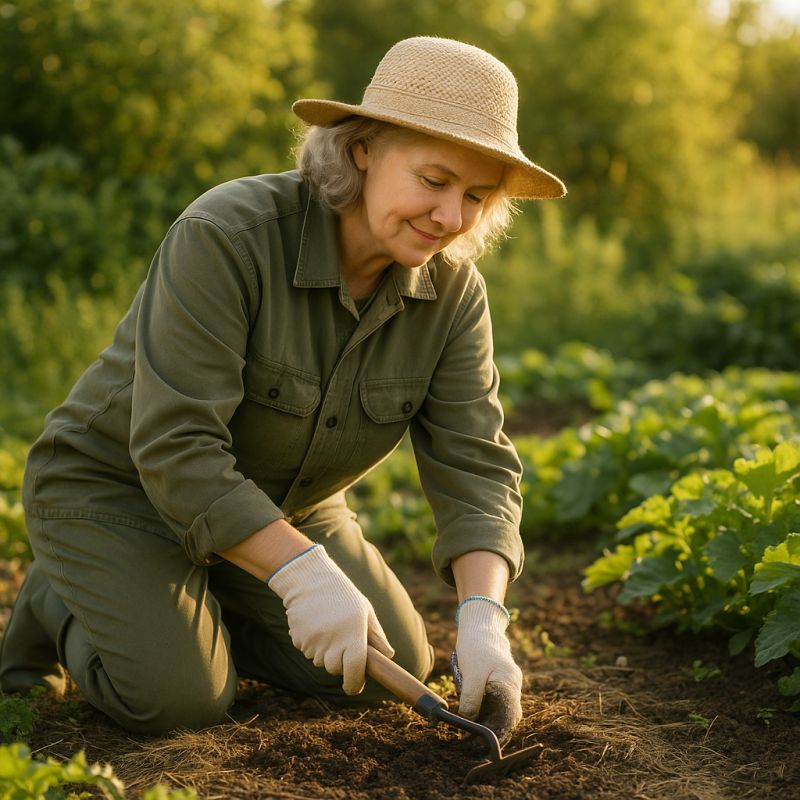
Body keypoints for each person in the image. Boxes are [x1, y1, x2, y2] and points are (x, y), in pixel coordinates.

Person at [0, 36, 565, 744]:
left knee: (389, 664)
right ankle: (66, 594)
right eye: (434, 180)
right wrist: (298, 575)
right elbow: (176, 448)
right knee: (181, 700)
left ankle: (198, 604)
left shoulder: (453, 294)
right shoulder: (228, 236)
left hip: (283, 507)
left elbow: (476, 463)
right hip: (119, 489)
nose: (451, 217)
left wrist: (484, 617)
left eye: (476, 197)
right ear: (364, 149)